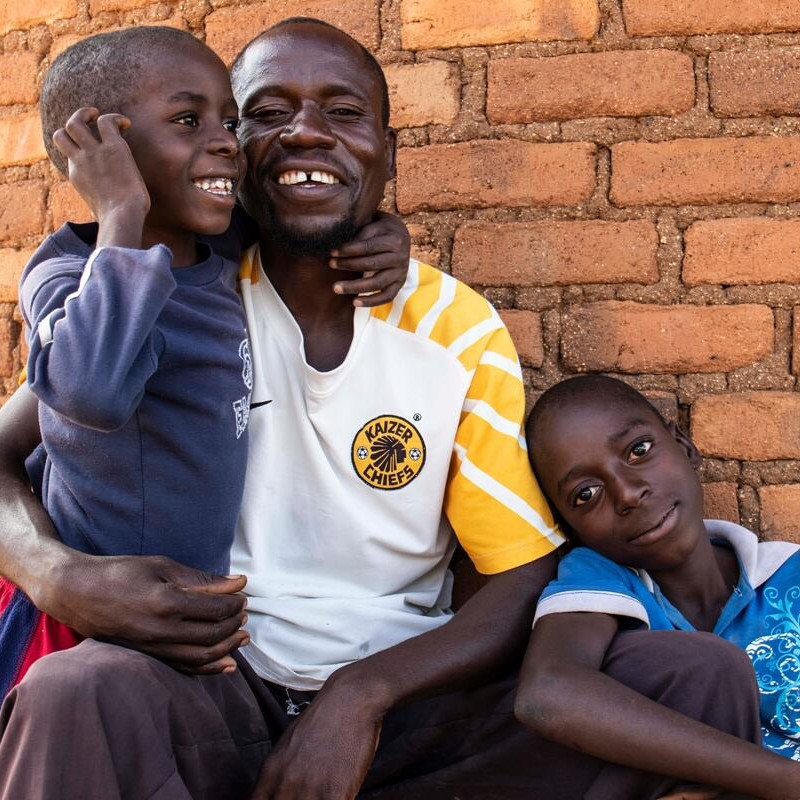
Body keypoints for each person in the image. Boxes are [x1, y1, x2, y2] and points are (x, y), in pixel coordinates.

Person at [0, 19, 766, 800]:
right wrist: (50, 572)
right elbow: (40, 417)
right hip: (215, 682)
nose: (305, 134)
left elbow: (518, 573)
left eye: (343, 112)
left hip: (405, 703)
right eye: (265, 113)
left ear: (388, 153)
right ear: (235, 152)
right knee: (75, 693)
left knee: (692, 678)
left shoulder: (452, 327)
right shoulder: (174, 288)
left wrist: (360, 695)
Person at [0, 25, 410, 694]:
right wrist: (121, 212)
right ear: (102, 147)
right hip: (81, 627)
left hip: (186, 629)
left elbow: (312, 221)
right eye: (189, 120)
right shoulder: (69, 275)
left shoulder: (217, 253)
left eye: (228, 120)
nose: (225, 141)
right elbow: (92, 392)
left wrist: (385, 231)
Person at [518, 374, 800, 799]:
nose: (628, 494)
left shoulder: (789, 572)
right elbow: (547, 692)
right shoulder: (602, 580)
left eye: (639, 451)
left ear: (684, 446)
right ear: (569, 526)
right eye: (586, 493)